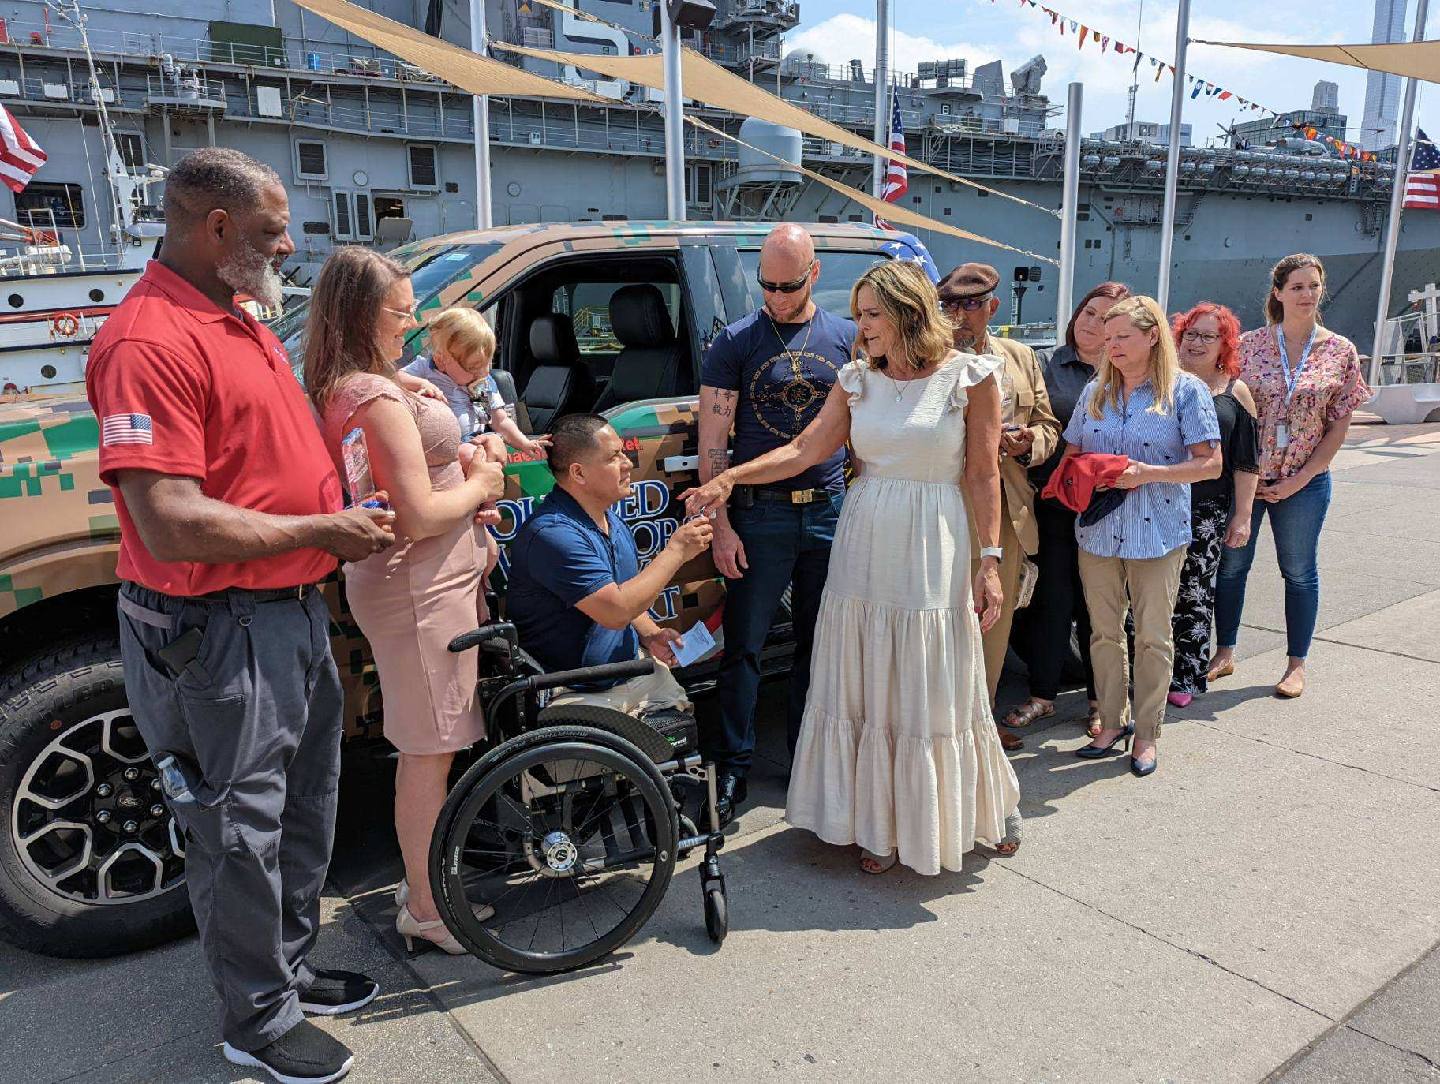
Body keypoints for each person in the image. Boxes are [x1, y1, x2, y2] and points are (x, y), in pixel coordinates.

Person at [85, 149, 395, 1084]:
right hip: (219, 627)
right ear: (215, 228)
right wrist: (326, 525)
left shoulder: (235, 313)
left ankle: (286, 975)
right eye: (270, 229)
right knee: (239, 830)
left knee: (304, 808)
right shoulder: (149, 340)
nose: (289, 244)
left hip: (286, 610)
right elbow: (169, 522)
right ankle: (255, 1023)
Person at [685, 260, 1021, 876]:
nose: (859, 327)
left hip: (931, 539)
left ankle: (955, 812)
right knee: (866, 675)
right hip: (864, 536)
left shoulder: (970, 378)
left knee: (927, 676)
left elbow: (982, 473)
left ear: (906, 314)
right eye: (860, 314)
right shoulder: (856, 380)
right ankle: (874, 819)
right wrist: (730, 477)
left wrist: (991, 560)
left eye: (871, 315)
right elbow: (803, 450)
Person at [306, 246, 508, 957]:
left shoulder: (359, 385)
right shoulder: (376, 397)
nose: (413, 322)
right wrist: (481, 484)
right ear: (365, 315)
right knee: (431, 750)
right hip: (421, 593)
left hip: (423, 586)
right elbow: (417, 514)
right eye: (401, 312)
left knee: (431, 745)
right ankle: (425, 907)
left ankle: (421, 885)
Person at [696, 223, 856, 825]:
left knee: (822, 646)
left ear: (813, 273)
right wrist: (722, 526)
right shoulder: (735, 341)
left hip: (829, 508)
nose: (776, 297)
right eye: (766, 284)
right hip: (758, 513)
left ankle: (807, 760)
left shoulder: (844, 337)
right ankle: (734, 766)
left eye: (787, 285)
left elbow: (860, 436)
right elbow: (714, 444)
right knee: (744, 648)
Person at [1067, 296, 1222, 778]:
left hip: (1156, 534)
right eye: (1107, 338)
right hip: (1098, 531)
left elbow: (1210, 463)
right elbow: (1072, 451)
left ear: (1152, 335)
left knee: (1154, 637)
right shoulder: (1095, 391)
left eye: (1121, 337)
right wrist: (1090, 469)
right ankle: (1111, 723)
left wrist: (1147, 473)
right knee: (1103, 633)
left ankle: (1148, 733)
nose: (1110, 346)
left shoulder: (1185, 391)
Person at [1210, 254, 1371, 698]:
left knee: (1299, 570)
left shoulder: (1340, 350)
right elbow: (1227, 409)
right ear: (1278, 292)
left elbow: (1339, 423)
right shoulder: (1249, 346)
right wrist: (1245, 477)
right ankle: (1224, 652)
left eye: (1313, 286)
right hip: (1247, 478)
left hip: (1305, 481)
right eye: (1297, 286)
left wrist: (1299, 480)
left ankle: (1296, 664)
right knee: (1232, 565)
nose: (1306, 294)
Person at [506, 413, 714, 714]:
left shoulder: (610, 519)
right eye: (614, 457)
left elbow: (623, 597)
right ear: (578, 473)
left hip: (631, 672)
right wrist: (677, 551)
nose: (628, 463)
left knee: (682, 740)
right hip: (576, 689)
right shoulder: (553, 535)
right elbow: (615, 610)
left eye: (624, 453)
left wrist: (651, 634)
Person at [938, 262, 1061, 752]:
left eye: (971, 305)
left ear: (992, 307)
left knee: (994, 623)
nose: (960, 316)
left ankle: (981, 730)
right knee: (944, 625)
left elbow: (1050, 425)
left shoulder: (1020, 357)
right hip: (947, 508)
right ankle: (945, 732)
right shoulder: (929, 359)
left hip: (1007, 512)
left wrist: (1029, 441)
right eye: (949, 304)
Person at [1016, 283, 1131, 738]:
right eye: (1088, 310)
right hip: (1054, 502)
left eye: (1105, 318)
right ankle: (1042, 695)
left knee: (1098, 604)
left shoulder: (1126, 371)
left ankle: (1101, 700)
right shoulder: (1044, 363)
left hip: (1106, 504)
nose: (1091, 322)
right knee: (1052, 599)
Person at [1166, 303, 1261, 708]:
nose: (1197, 342)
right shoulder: (1160, 383)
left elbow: (1246, 461)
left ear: (1224, 344)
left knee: (1194, 592)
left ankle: (1185, 675)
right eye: (1191, 334)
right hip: (1158, 499)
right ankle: (1145, 670)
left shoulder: (1234, 391)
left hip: (1206, 509)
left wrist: (1242, 516)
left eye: (1209, 336)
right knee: (1150, 593)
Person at [403, 306, 548, 455]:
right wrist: (421, 384)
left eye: (488, 364)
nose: (484, 372)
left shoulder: (479, 387)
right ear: (440, 360)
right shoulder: (426, 370)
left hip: (474, 442)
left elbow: (499, 421)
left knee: (480, 451)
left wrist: (524, 443)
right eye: (473, 367)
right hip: (440, 448)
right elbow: (393, 379)